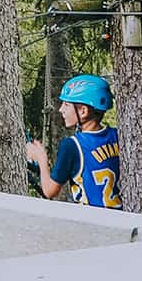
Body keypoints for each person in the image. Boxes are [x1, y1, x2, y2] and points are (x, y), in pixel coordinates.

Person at [24, 74, 122, 208]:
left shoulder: (72, 145)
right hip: (122, 218)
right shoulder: (117, 136)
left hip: (92, 222)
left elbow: (49, 191)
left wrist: (41, 158)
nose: (61, 109)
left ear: (83, 111)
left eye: (66, 104)